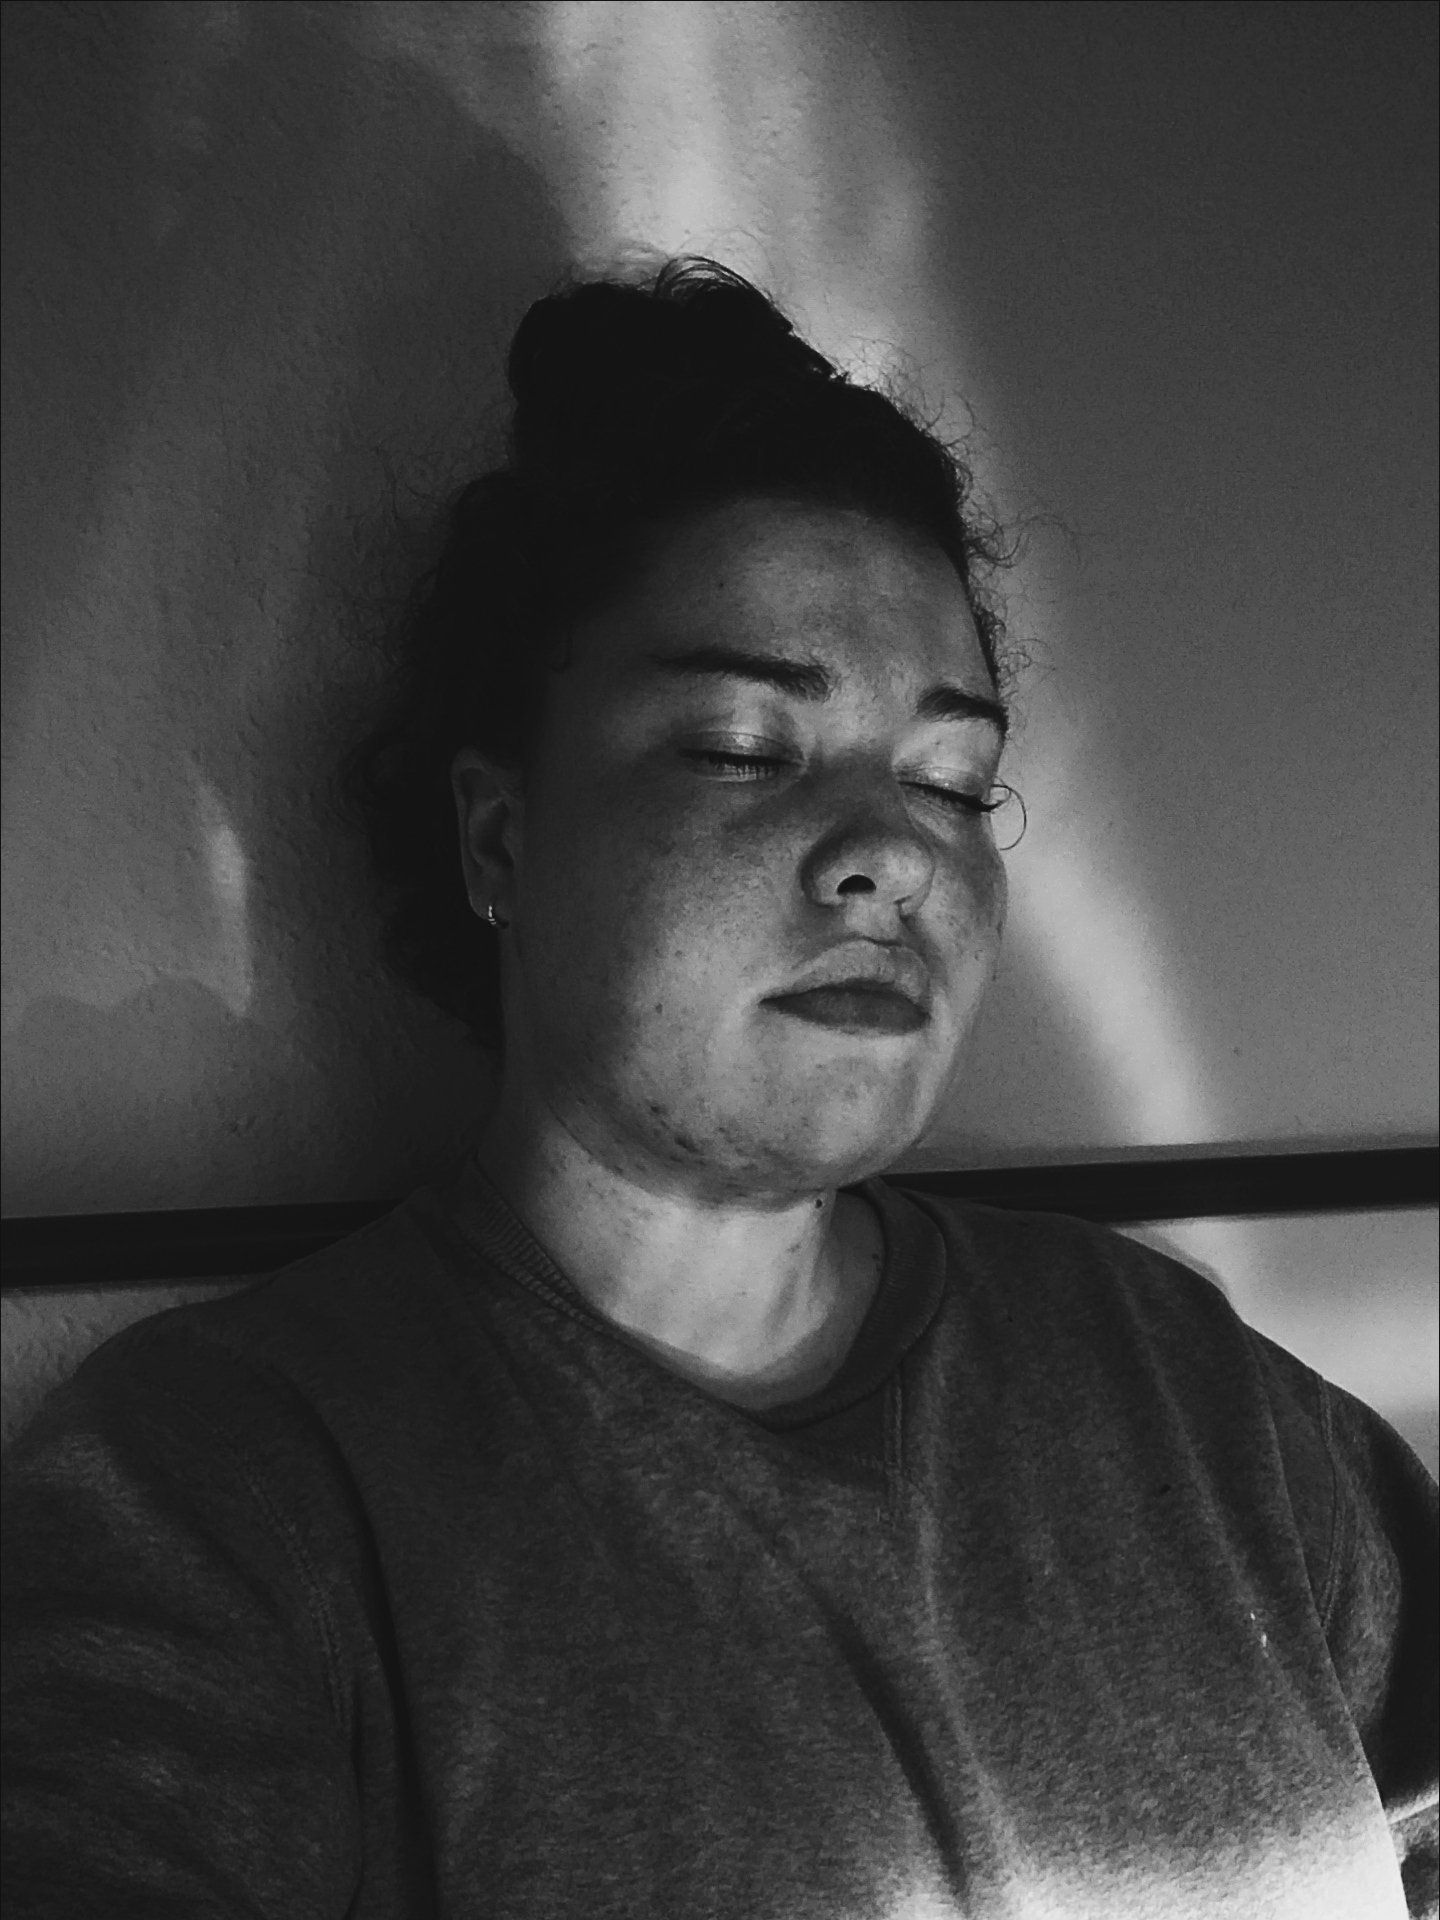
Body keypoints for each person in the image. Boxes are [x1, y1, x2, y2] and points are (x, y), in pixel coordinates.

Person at [2, 256, 1435, 1920]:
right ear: (499, 836)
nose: (891, 854)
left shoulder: (1181, 1383)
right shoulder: (236, 1489)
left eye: (954, 780)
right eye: (741, 750)